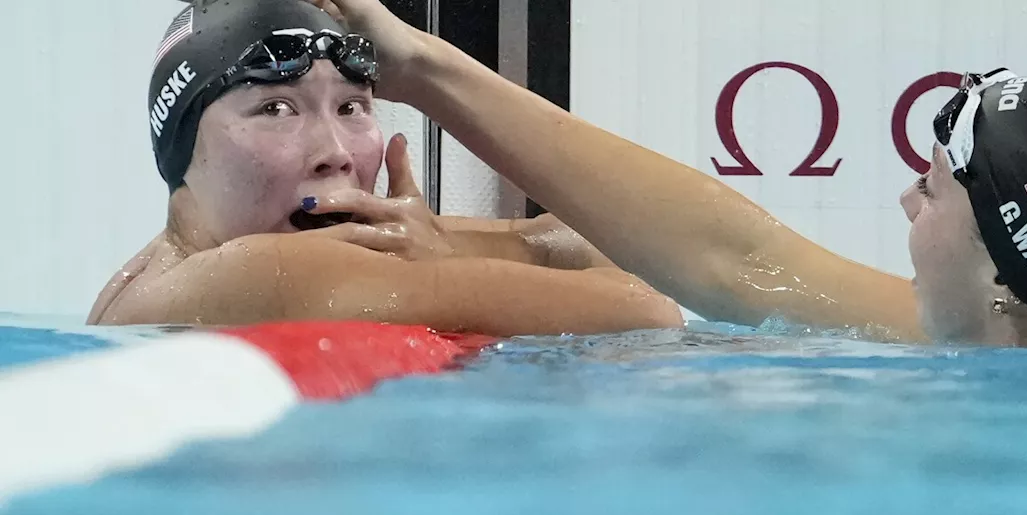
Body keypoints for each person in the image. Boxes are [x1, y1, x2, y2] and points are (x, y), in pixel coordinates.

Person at [304, 0, 1027, 348]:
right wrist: (423, 66)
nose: (907, 198)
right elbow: (735, 258)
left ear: (1004, 274)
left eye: (936, 187)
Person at [88, 0, 683, 337]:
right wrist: (445, 262)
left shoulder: (144, 281)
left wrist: (434, 245)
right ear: (181, 150)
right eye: (275, 107)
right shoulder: (257, 272)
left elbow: (575, 243)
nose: (336, 152)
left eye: (352, 107)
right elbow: (649, 308)